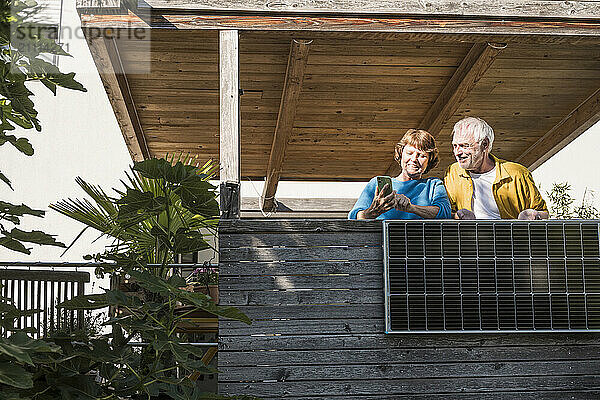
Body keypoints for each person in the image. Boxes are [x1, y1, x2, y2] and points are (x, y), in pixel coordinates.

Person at [444, 116, 548, 220]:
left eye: (465, 146)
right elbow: (448, 213)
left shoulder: (517, 173)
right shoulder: (452, 172)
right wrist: (458, 216)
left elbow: (544, 213)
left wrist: (533, 214)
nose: (457, 152)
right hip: (470, 236)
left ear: (485, 144)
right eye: (455, 146)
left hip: (509, 235)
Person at [349, 129, 451, 220]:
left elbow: (445, 213)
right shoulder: (377, 183)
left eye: (421, 155)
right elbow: (354, 217)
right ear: (401, 154)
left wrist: (411, 208)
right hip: (383, 240)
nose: (414, 159)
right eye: (409, 153)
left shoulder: (433, 185)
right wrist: (373, 212)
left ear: (430, 160)